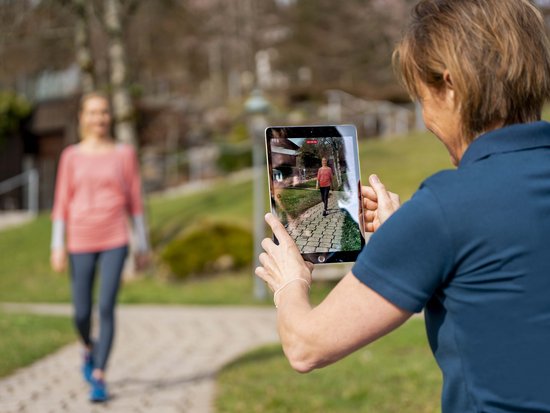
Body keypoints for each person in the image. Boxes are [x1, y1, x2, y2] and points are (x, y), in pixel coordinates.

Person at [255, 1, 550, 412]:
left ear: (449, 86)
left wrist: (289, 282)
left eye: (421, 96)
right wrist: (407, 234)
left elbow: (306, 346)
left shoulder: (447, 207)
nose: (425, 115)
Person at [50, 92, 150, 403]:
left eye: (104, 112)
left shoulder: (124, 153)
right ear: (82, 117)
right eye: (93, 112)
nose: (99, 118)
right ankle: (88, 347)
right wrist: (57, 245)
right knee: (81, 313)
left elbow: (135, 201)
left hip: (114, 240)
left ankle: (99, 375)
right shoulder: (71, 156)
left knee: (105, 307)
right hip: (79, 240)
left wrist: (142, 245)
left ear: (110, 117)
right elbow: (61, 203)